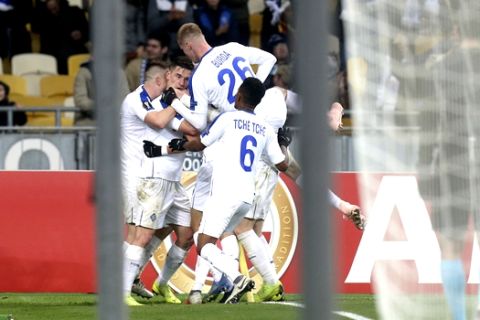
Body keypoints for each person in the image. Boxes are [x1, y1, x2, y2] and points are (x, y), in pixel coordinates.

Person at [171, 22, 276, 303]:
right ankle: (230, 283)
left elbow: (196, 122)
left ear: (188, 46)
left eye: (183, 49)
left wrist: (176, 102)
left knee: (203, 227)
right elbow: (270, 59)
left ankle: (223, 281)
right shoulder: (231, 48)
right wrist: (254, 91)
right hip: (255, 129)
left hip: (223, 142)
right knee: (230, 225)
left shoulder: (201, 75)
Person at [417, 5, 480, 319]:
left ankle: (458, 316)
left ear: (456, 30)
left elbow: (428, 126)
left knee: (450, 247)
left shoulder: (439, 69)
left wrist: (422, 169)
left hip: (452, 162)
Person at [120, 61, 195, 306]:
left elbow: (195, 131)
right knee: (140, 233)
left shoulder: (173, 102)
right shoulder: (146, 101)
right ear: (166, 75)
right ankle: (122, 290)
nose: (182, 82)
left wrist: (181, 103)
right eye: (178, 76)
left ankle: (159, 285)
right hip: (149, 175)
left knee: (185, 234)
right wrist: (178, 102)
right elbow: (162, 122)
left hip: (175, 178)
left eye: (186, 78)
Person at [32, 0, 90, 74]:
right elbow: (35, 28)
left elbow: (87, 32)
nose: (53, 11)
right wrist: (43, 10)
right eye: (50, 10)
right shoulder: (42, 15)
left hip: (73, 50)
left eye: (55, 8)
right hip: (51, 52)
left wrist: (80, 34)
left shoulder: (75, 11)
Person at [73, 58, 130, 126]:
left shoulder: (119, 73)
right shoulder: (84, 72)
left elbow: (125, 99)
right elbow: (80, 101)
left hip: (114, 123)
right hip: (88, 122)